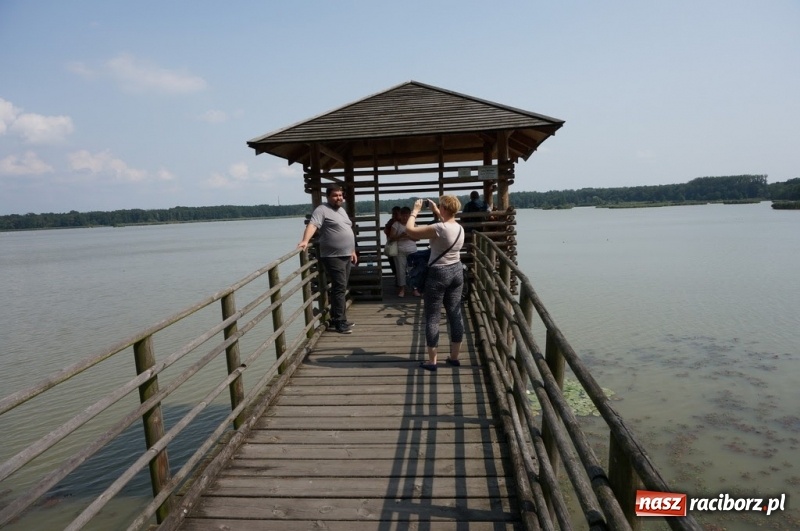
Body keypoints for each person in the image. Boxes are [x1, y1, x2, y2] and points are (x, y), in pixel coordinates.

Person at [405, 196, 465, 371]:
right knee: (455, 314)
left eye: (440, 206)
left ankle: (432, 361)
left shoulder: (439, 228)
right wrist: (436, 210)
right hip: (457, 271)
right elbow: (447, 222)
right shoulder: (459, 227)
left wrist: (415, 211)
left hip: (439, 273)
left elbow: (410, 230)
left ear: (444, 208)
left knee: (433, 317)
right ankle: (454, 357)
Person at [297, 185, 357, 334]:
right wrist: (305, 240)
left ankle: (339, 318)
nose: (339, 198)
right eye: (335, 195)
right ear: (328, 197)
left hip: (346, 254)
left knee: (341, 287)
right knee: (339, 287)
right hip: (332, 256)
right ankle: (339, 322)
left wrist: (352, 250)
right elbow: (313, 225)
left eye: (340, 195)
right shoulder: (322, 209)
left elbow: (346, 230)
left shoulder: (341, 210)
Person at [387, 207, 418, 297]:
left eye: (406, 215)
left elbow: (417, 238)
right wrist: (400, 236)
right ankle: (402, 289)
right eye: (403, 215)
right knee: (400, 271)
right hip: (400, 251)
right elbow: (391, 238)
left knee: (413, 270)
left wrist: (409, 236)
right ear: (400, 215)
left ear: (409, 216)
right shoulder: (396, 225)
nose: (405, 217)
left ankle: (415, 288)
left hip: (412, 251)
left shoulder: (413, 224)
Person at [383, 206, 401, 283]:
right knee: (393, 263)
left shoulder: (402, 222)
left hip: (400, 246)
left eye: (396, 214)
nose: (394, 215)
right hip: (392, 245)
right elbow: (386, 231)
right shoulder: (390, 222)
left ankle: (400, 279)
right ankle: (397, 278)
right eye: (393, 214)